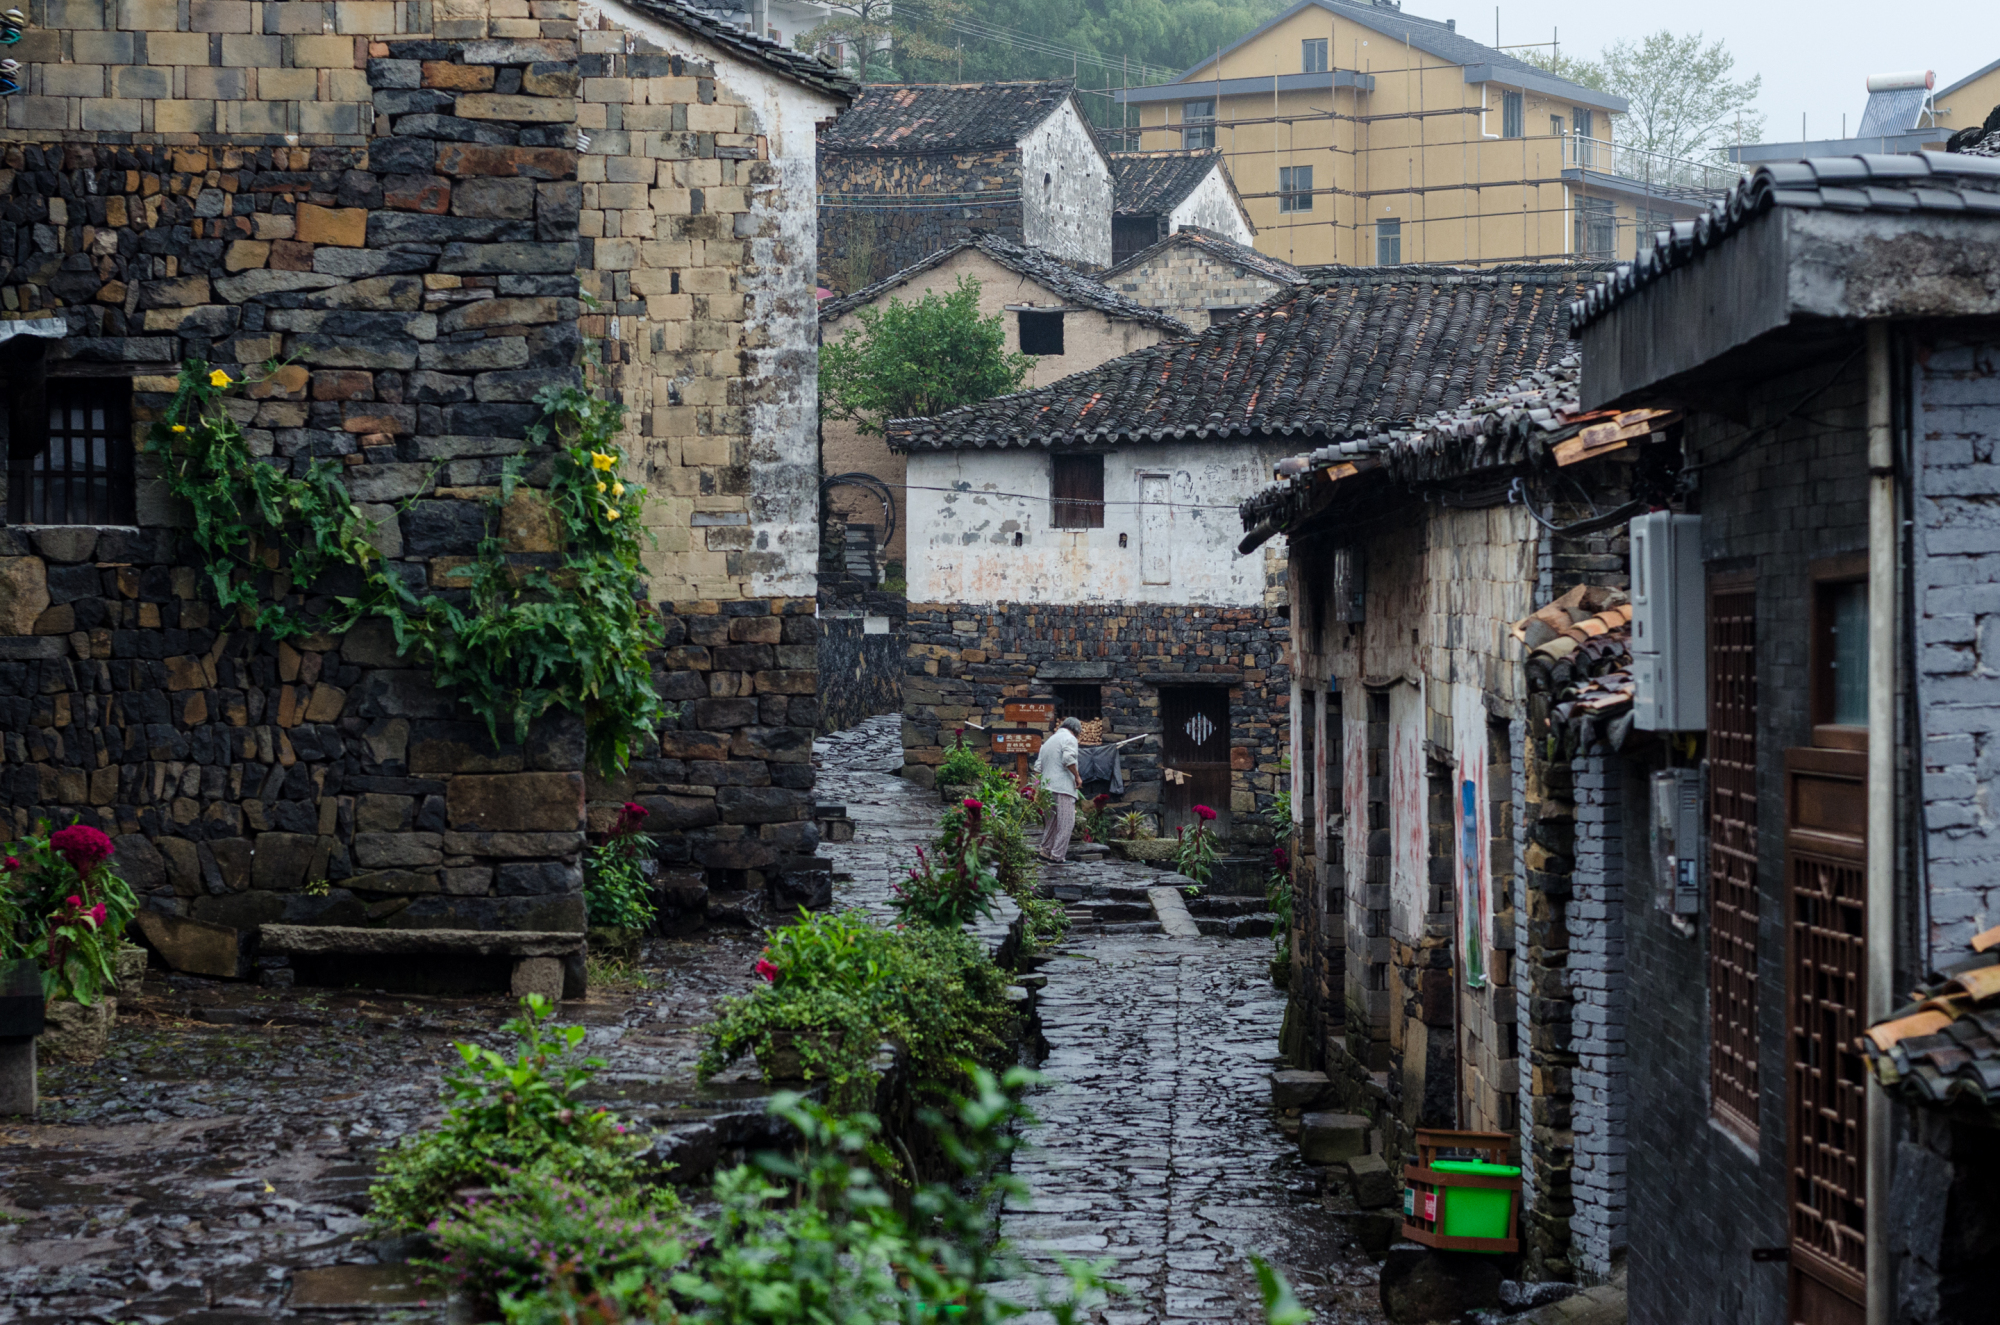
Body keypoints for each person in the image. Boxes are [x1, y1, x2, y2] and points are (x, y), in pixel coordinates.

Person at [1035, 716, 1083, 864]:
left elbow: (1038, 767)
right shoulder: (1069, 738)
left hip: (1047, 787)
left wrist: (1037, 789)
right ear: (1076, 730)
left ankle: (1045, 852)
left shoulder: (1048, 742)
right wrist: (1077, 777)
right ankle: (1057, 856)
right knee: (1066, 822)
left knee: (1051, 823)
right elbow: (1068, 759)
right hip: (1063, 787)